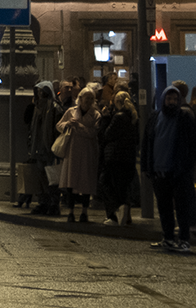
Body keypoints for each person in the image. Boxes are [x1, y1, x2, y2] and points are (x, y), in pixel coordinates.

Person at [142, 80, 196, 253]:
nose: (171, 102)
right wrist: (147, 166)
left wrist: (188, 166)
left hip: (179, 171)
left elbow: (192, 144)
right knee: (164, 208)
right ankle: (168, 238)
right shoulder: (155, 117)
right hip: (160, 171)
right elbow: (147, 142)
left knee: (182, 208)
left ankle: (184, 240)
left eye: (174, 99)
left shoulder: (184, 117)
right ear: (163, 99)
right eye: (169, 99)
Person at [55, 86, 102, 223]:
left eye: (91, 99)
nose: (89, 101)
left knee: (86, 183)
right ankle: (70, 212)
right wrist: (67, 124)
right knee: (71, 182)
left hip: (88, 152)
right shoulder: (71, 112)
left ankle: (84, 212)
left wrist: (79, 127)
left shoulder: (96, 115)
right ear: (80, 98)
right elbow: (59, 125)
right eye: (87, 98)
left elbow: (93, 132)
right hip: (72, 151)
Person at [98, 89, 141, 226]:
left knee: (105, 183)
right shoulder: (133, 117)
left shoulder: (118, 117)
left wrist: (105, 118)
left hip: (114, 156)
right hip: (128, 157)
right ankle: (125, 215)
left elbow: (107, 135)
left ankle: (114, 214)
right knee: (123, 187)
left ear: (117, 102)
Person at [26, 82, 62, 215]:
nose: (40, 94)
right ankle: (44, 202)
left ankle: (53, 203)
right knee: (41, 176)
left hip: (49, 147)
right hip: (39, 147)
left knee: (51, 177)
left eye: (42, 91)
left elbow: (56, 129)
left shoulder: (54, 108)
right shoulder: (37, 107)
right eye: (38, 91)